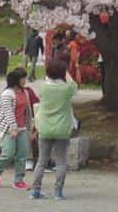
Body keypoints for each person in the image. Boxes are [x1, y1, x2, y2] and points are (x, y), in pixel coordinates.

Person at [30, 58, 77, 200]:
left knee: (41, 161)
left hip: (44, 127)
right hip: (62, 128)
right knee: (61, 161)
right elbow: (74, 86)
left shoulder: (43, 87)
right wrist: (67, 74)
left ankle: (35, 190)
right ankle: (58, 192)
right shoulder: (66, 89)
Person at [0, 67, 39, 189]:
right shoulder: (7, 94)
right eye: (22, 78)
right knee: (8, 153)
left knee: (22, 154)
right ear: (16, 80)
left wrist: (29, 128)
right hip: (8, 128)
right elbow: (8, 112)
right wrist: (13, 128)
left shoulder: (25, 93)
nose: (24, 80)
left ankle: (19, 180)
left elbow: (27, 111)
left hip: (22, 128)